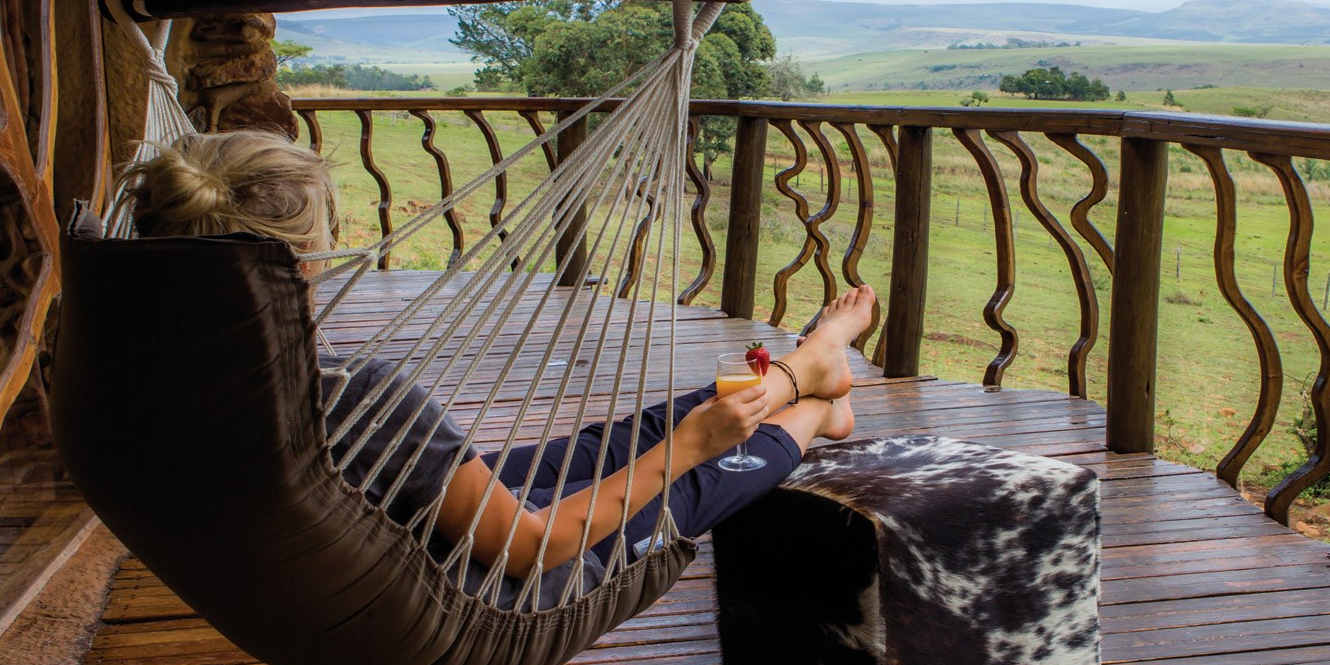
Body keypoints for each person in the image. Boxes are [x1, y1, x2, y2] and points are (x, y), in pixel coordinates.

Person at [114, 129, 869, 607]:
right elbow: (534, 549)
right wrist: (690, 447)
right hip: (462, 588)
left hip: (380, 523)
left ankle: (810, 376)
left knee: (607, 447)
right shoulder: (350, 399)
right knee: (690, 466)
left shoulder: (153, 374)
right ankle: (810, 395)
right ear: (306, 261)